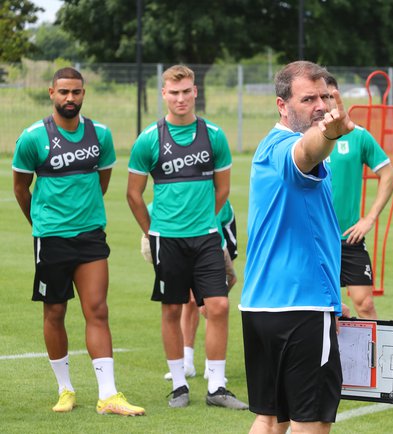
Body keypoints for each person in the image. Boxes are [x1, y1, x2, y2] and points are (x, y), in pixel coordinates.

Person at [12, 67, 144, 416]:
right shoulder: (32, 138)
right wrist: (42, 222)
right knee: (55, 311)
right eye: (64, 92)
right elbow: (21, 188)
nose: (70, 98)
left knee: (97, 309)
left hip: (90, 235)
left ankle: (108, 395)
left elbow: (101, 182)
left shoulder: (100, 134)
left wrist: (81, 214)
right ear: (51, 92)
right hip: (51, 237)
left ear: (84, 94)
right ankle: (65, 389)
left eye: (77, 92)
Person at [240, 60, 354, 434]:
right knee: (313, 422)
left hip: (261, 306)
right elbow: (306, 153)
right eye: (308, 98)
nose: (319, 104)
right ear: (282, 105)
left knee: (270, 420)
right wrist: (330, 135)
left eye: (324, 96)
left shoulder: (266, 146)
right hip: (300, 306)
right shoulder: (287, 147)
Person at [126, 64, 247, 410]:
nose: (180, 98)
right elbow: (133, 194)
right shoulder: (149, 139)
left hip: (207, 236)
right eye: (173, 92)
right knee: (171, 308)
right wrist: (153, 230)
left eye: (186, 91)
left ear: (195, 92)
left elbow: (222, 189)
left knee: (219, 305)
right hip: (167, 238)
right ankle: (179, 384)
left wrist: (204, 218)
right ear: (164, 94)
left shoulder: (214, 135)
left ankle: (217, 386)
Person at [325, 75, 393, 319]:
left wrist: (370, 218)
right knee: (324, 310)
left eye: (331, 97)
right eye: (321, 98)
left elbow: (389, 175)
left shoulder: (358, 136)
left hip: (349, 238)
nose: (327, 103)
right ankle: (328, 357)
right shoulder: (303, 138)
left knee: (365, 304)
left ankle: (372, 359)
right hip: (315, 239)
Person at [139, 202, 238, 381]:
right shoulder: (163, 201)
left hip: (212, 249)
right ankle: (187, 363)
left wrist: (228, 259)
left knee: (213, 305)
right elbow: (148, 219)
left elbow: (228, 223)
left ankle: (212, 367)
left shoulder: (216, 198)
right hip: (179, 249)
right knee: (189, 301)